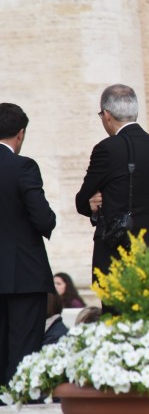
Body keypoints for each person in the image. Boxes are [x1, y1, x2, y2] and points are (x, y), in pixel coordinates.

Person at [75, 84, 149, 288]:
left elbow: (82, 201)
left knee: (116, 318)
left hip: (117, 257)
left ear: (107, 115)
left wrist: (91, 204)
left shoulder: (107, 149)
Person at [0, 103, 57, 386]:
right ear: (20, 134)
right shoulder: (23, 167)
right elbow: (43, 219)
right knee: (24, 353)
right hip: (24, 275)